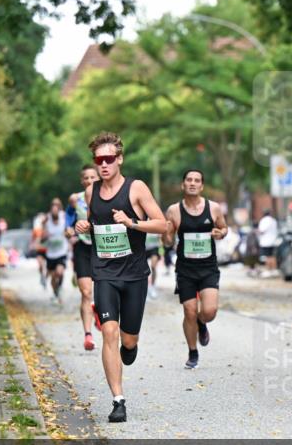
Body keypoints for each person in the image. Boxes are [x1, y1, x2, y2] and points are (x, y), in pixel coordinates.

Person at [74, 132, 166, 423]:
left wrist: (131, 222)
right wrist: (85, 226)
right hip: (103, 272)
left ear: (119, 159)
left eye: (109, 159)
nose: (103, 165)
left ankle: (131, 346)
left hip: (135, 274)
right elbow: (95, 223)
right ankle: (118, 400)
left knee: (128, 339)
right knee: (109, 333)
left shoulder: (136, 188)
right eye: (98, 160)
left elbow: (162, 225)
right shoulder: (92, 192)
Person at [163, 169, 228, 369]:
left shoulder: (214, 208)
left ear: (201, 186)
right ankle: (192, 352)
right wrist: (166, 233)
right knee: (189, 311)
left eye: (196, 180)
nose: (192, 183)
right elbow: (167, 241)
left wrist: (220, 233)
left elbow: (224, 228)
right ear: (183, 185)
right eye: (189, 180)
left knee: (209, 311)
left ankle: (202, 323)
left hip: (208, 267)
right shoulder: (174, 210)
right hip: (185, 269)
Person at [68, 165, 100, 350]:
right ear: (82, 181)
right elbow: (69, 217)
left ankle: (99, 312)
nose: (89, 181)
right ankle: (88, 335)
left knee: (102, 293)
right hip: (82, 247)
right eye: (86, 178)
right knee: (86, 292)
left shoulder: (107, 196)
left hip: (101, 246)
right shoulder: (76, 199)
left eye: (92, 177)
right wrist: (68, 229)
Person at [42, 198, 68, 303]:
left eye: (57, 208)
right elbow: (42, 237)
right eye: (53, 209)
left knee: (59, 272)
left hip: (61, 251)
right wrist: (46, 235)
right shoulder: (46, 219)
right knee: (53, 277)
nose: (54, 212)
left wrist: (68, 234)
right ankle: (55, 293)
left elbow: (68, 229)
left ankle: (60, 287)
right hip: (51, 253)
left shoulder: (64, 216)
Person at [257, 209, 279, 276]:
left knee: (267, 256)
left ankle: (268, 270)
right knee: (272, 256)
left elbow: (261, 230)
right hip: (273, 240)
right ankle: (274, 269)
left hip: (266, 241)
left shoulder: (264, 220)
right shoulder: (273, 220)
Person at [32, 212, 47, 288]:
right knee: (41, 265)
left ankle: (46, 277)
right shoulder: (36, 230)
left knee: (47, 267)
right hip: (39, 250)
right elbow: (33, 240)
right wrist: (33, 245)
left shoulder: (48, 229)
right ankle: (42, 275)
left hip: (48, 250)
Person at [145, 232, 162, 299]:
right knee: (143, 269)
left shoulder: (156, 221)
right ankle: (145, 288)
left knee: (153, 266)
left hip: (154, 247)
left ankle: (153, 286)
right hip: (144, 248)